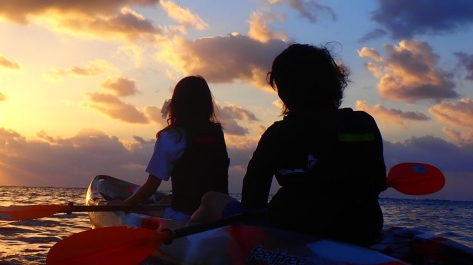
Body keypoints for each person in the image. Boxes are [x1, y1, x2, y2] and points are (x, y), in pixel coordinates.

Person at [192, 43, 387, 245]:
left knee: (210, 199)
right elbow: (378, 182)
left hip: (294, 230)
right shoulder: (363, 123)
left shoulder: (277, 135)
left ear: (283, 91)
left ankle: (186, 247)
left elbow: (252, 201)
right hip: (364, 229)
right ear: (333, 82)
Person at [113, 75, 230, 222]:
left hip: (185, 218)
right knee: (165, 203)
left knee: (153, 209)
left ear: (177, 104)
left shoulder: (172, 137)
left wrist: (124, 205)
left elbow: (151, 186)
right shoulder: (217, 133)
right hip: (219, 218)